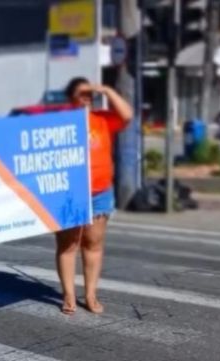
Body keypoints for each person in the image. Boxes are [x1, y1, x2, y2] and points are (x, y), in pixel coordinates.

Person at [56, 77, 133, 315]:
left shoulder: (101, 119)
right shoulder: (60, 122)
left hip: (100, 193)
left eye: (90, 93)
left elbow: (127, 115)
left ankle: (90, 294)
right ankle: (69, 295)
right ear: (71, 97)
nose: (87, 96)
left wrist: (107, 89)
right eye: (82, 93)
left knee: (93, 244)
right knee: (69, 245)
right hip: (69, 192)